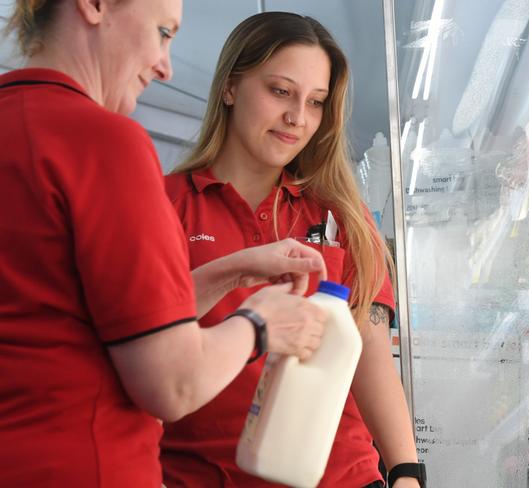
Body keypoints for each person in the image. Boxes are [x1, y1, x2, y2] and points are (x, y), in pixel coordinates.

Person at [0, 2, 330, 487]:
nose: (165, 65)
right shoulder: (105, 143)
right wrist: (261, 322)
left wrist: (230, 272)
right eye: (161, 31)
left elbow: (85, 319)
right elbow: (172, 384)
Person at [162, 11, 423, 488]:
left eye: (316, 102)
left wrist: (406, 472)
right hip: (203, 475)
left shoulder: (339, 214)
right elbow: (146, 348)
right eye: (280, 91)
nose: (297, 117)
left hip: (341, 477)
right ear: (230, 87)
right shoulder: (164, 207)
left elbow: (367, 349)